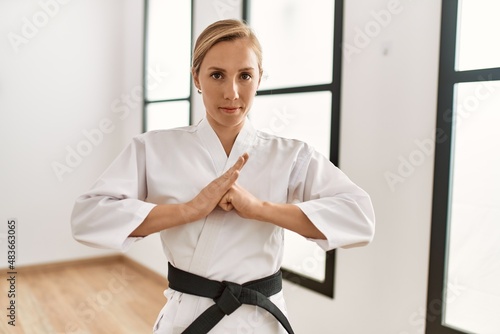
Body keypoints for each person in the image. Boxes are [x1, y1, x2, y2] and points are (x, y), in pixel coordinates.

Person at [71, 19, 375, 334]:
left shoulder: (291, 155)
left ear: (259, 79)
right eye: (217, 75)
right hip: (187, 317)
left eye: (245, 75)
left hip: (261, 321)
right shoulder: (154, 148)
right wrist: (187, 210)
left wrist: (260, 209)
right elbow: (87, 218)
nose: (231, 92)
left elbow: (360, 218)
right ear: (196, 78)